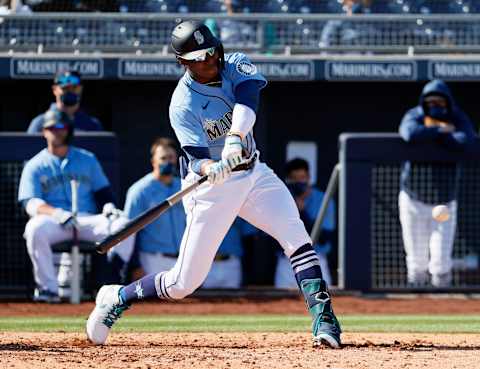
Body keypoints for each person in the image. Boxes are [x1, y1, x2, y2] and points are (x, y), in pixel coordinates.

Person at [86, 20, 341, 348]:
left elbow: (248, 100)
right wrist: (212, 167)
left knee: (297, 238)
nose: (210, 60)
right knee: (182, 283)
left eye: (211, 51)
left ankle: (325, 320)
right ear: (183, 63)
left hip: (254, 173)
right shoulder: (182, 104)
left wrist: (235, 139)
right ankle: (117, 297)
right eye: (200, 57)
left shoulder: (235, 62)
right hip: (210, 188)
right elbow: (195, 156)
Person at [18, 110, 134, 302]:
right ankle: (47, 289)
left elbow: (103, 193)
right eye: (51, 127)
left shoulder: (87, 158)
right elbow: (30, 203)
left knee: (124, 225)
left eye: (61, 127)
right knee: (34, 228)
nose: (56, 131)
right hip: (55, 220)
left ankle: (110, 285)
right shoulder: (35, 164)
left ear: (69, 130)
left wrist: (109, 207)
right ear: (44, 131)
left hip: (85, 219)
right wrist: (56, 213)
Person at [124, 137, 254, 288]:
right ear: (153, 161)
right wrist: (135, 266)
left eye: (171, 158)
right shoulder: (140, 191)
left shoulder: (184, 185)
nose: (168, 162)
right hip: (152, 258)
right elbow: (129, 233)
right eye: (163, 158)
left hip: (181, 260)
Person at [398, 79, 476, 288]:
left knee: (441, 264)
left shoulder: (457, 117)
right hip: (413, 198)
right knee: (416, 262)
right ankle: (415, 306)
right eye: (431, 102)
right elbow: (408, 133)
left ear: (447, 103)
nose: (435, 106)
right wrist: (441, 130)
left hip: (445, 200)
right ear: (424, 102)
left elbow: (465, 141)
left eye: (440, 102)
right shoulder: (415, 115)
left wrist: (439, 134)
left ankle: (442, 304)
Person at [275, 158, 335, 288]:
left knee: (320, 304)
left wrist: (302, 213)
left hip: (315, 259)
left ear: (308, 178)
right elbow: (275, 236)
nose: (299, 182)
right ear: (288, 180)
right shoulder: (281, 198)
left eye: (302, 177)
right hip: (287, 262)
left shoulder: (322, 199)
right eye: (294, 178)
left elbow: (324, 238)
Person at [27, 70, 103, 133]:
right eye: (65, 88)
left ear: (81, 89)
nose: (70, 92)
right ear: (54, 90)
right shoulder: (40, 122)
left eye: (74, 88)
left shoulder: (92, 124)